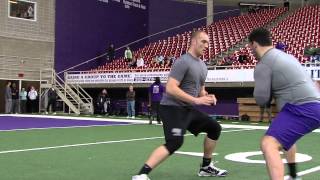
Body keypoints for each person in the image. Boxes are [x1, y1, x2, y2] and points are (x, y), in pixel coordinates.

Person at [132, 31, 228, 180]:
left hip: (187, 108)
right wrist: (196, 100)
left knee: (215, 128)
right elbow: (170, 88)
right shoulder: (183, 61)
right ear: (194, 41)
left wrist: (208, 96)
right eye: (203, 41)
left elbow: (200, 91)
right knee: (175, 142)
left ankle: (205, 167)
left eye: (208, 43)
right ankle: (141, 174)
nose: (206, 45)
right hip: (171, 108)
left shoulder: (203, 66)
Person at [250, 27, 320, 180]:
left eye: (251, 48)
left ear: (254, 44)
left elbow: (261, 99)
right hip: (312, 105)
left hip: (302, 107)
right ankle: (294, 175)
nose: (252, 52)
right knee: (285, 139)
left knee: (268, 144)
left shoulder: (264, 63)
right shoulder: (286, 56)